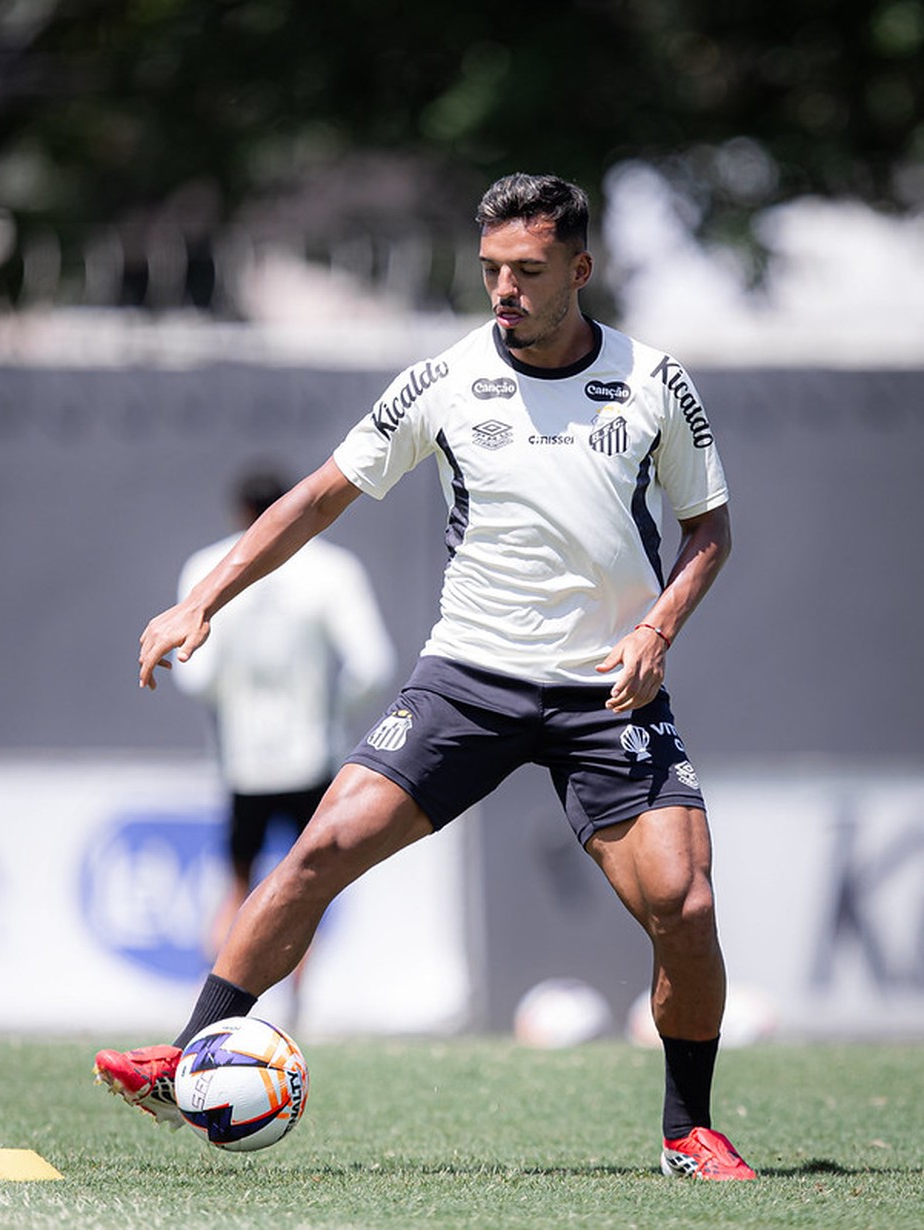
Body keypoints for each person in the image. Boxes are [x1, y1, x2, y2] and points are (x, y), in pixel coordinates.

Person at [95, 172, 756, 1181]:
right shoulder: (441, 381)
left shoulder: (655, 382)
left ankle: (687, 1132)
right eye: (491, 269)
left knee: (687, 907)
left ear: (579, 270)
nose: (504, 289)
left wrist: (658, 628)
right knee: (320, 846)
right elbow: (318, 499)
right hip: (470, 679)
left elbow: (708, 531)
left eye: (528, 271)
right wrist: (203, 601)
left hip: (608, 690)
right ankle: (182, 1056)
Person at [173, 467, 397, 961]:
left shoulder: (207, 566)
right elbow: (372, 665)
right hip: (312, 755)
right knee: (304, 890)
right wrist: (328, 711)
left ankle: (216, 1011)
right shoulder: (334, 569)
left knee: (237, 884)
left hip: (244, 761)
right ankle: (297, 1011)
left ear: (241, 513)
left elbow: (195, 675)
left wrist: (234, 705)